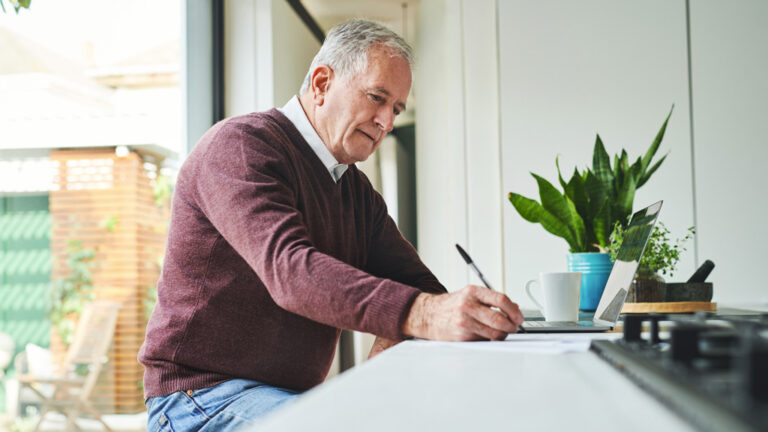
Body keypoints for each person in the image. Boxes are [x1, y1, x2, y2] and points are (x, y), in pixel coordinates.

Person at [139, 19, 523, 431]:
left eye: (395, 108)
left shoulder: (355, 191)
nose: (387, 122)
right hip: (199, 398)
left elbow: (421, 290)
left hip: (284, 398)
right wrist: (422, 315)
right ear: (321, 83)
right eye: (377, 97)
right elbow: (292, 272)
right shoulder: (240, 146)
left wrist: (386, 367)